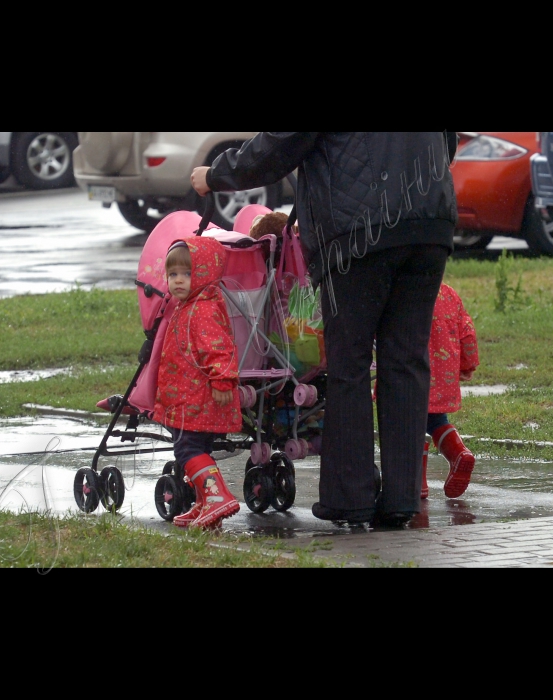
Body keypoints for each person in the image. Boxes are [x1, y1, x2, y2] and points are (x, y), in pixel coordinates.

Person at [192, 132, 459, 529]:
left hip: (356, 231)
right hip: (429, 222)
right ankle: (401, 499)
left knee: (349, 363)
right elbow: (447, 142)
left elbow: (278, 146)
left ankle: (350, 499)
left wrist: (215, 174)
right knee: (406, 360)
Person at [153, 235, 242, 529]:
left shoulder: (201, 309)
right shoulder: (190, 305)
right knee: (197, 449)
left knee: (187, 450)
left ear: (205, 273)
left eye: (188, 274)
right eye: (173, 274)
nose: (178, 280)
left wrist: (223, 379)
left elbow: (218, 347)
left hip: (195, 399)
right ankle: (206, 503)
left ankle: (217, 499)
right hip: (190, 398)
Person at [421, 281, 479, 500]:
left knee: (409, 423)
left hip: (409, 374)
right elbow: (467, 332)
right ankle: (458, 453)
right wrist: (467, 363)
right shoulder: (449, 295)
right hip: (443, 376)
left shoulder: (404, 291)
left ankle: (416, 484)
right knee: (436, 421)